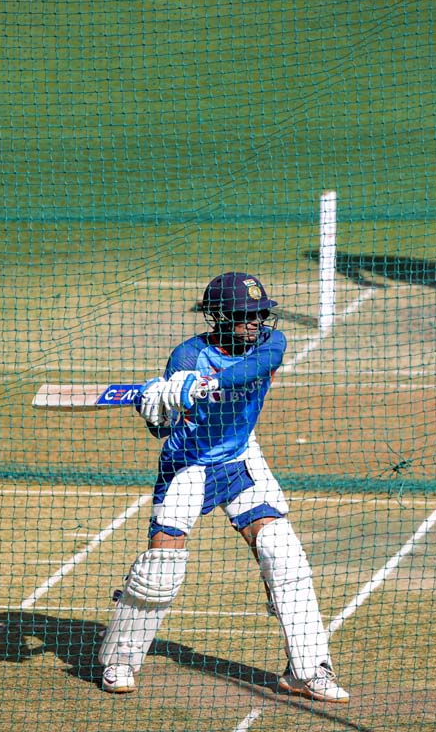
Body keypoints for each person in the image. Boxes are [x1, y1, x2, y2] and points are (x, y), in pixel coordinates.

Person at [97, 272, 350, 703]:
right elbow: (162, 429)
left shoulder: (272, 344)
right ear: (218, 317)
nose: (254, 324)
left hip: (240, 459)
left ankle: (308, 670)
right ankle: (119, 659)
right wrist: (159, 405)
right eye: (243, 316)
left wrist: (208, 385)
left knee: (283, 555)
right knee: (161, 568)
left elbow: (253, 369)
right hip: (189, 465)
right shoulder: (187, 355)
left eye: (258, 315)